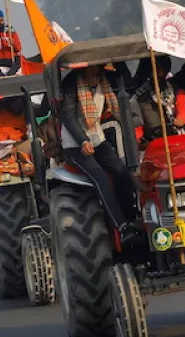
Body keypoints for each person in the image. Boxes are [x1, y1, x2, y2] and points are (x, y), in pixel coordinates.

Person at [58, 65, 142, 247]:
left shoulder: (105, 79)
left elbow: (128, 81)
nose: (97, 72)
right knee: (101, 177)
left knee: (122, 172)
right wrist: (82, 141)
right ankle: (121, 226)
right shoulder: (73, 84)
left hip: (98, 138)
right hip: (74, 143)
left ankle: (131, 218)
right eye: (93, 69)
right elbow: (69, 116)